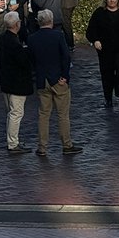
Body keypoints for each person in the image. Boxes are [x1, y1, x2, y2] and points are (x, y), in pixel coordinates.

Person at [27, 9, 82, 157]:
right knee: (62, 115)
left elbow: (31, 60)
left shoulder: (32, 38)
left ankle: (42, 147)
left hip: (41, 80)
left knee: (43, 115)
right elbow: (66, 57)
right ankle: (66, 144)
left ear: (39, 22)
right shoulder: (58, 36)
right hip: (58, 79)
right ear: (51, 21)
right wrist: (65, 76)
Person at [0, 11, 33, 153]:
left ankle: (12, 140)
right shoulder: (15, 43)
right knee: (16, 113)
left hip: (5, 81)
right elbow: (23, 61)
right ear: (17, 24)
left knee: (11, 112)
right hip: (17, 83)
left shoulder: (1, 39)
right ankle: (13, 143)